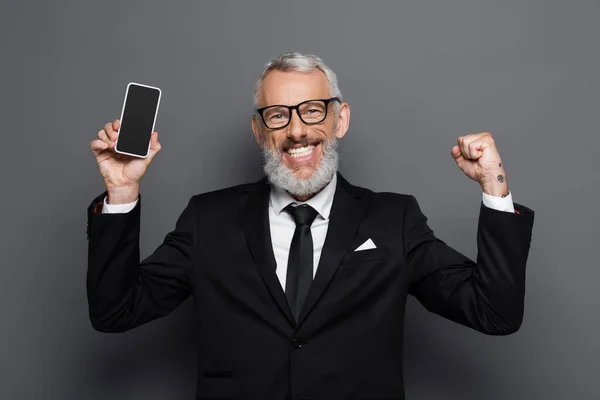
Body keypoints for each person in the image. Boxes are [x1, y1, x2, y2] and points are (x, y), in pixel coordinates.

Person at [87, 52, 535, 399]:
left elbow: (493, 312)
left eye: (313, 110)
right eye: (278, 115)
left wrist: (494, 187)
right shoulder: (209, 219)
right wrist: (121, 192)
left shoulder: (394, 219)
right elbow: (116, 312)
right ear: (259, 131)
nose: (297, 130)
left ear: (340, 119)